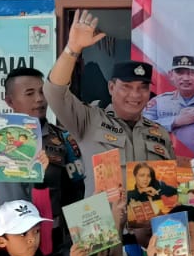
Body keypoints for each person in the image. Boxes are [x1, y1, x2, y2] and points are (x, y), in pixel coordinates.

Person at [0, 12, 85, 216]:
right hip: (6, 237)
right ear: (10, 100)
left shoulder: (62, 138)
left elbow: (76, 194)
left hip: (48, 238)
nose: (39, 99)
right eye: (29, 93)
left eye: (42, 92)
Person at [46, 11, 174, 190]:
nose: (135, 95)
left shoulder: (159, 134)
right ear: (111, 88)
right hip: (102, 218)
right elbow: (54, 92)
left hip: (149, 217)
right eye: (127, 87)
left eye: (142, 87)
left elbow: (169, 188)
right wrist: (72, 49)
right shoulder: (89, 120)